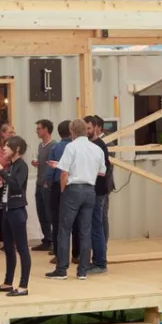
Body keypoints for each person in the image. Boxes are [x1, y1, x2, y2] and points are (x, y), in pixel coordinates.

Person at [48, 119, 106, 281]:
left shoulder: (71, 147)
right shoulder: (96, 149)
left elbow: (64, 173)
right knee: (85, 231)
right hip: (90, 189)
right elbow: (102, 172)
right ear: (86, 131)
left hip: (73, 189)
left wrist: (62, 190)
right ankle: (82, 270)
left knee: (64, 229)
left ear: (72, 131)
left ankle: (62, 269)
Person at [0, 135, 31, 296]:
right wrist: (1, 184)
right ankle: (8, 282)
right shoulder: (12, 166)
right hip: (7, 208)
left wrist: (1, 172)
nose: (4, 149)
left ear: (16, 149)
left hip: (17, 210)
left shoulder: (21, 165)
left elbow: (16, 186)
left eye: (8, 147)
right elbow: (11, 184)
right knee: (8, 247)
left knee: (22, 248)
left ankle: (23, 285)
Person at [86, 115, 112, 275]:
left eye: (89, 128)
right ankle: (96, 260)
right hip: (93, 190)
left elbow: (104, 169)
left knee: (97, 226)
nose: (87, 131)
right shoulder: (91, 145)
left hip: (98, 191)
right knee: (93, 226)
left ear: (96, 128)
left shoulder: (99, 145)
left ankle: (100, 263)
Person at [48, 120, 73, 266]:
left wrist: (48, 181)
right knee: (76, 222)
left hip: (57, 185)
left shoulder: (56, 147)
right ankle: (77, 255)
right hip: (72, 184)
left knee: (57, 221)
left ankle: (59, 254)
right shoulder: (73, 147)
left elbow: (51, 166)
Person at [32, 120, 56, 252]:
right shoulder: (41, 146)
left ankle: (53, 240)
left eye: (39, 128)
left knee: (49, 213)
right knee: (41, 212)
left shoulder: (54, 146)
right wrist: (36, 163)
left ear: (46, 130)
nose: (37, 131)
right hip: (39, 182)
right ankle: (46, 239)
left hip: (47, 184)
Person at [0, 123, 14, 244]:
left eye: (13, 132)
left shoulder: (15, 147)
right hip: (0, 183)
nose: (12, 135)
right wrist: (10, 156)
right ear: (3, 133)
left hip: (12, 183)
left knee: (11, 212)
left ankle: (11, 240)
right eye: (10, 132)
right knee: (1, 213)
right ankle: (2, 241)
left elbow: (19, 161)